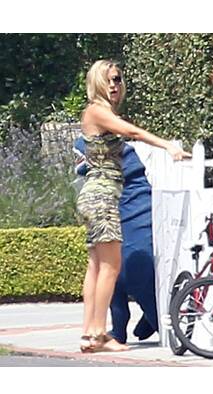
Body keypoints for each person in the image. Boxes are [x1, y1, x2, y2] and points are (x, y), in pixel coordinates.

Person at [77, 59, 190, 353]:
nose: (114, 85)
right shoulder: (96, 111)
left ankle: (88, 333)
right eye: (108, 80)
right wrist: (168, 146)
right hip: (103, 195)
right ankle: (99, 334)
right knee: (111, 267)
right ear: (96, 83)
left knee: (96, 266)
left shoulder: (98, 113)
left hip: (96, 195)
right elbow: (134, 133)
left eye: (117, 79)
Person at [74, 138, 158, 347]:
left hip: (130, 210)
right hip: (110, 207)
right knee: (111, 272)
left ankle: (153, 318)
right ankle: (115, 328)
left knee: (130, 270)